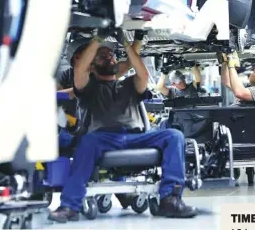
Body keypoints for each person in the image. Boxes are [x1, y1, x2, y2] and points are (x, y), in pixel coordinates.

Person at [48, 29, 197, 223]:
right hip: (103, 139)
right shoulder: (88, 88)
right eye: (102, 57)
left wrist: (126, 44)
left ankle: (170, 199)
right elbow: (80, 69)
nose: (109, 58)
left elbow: (142, 72)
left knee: (174, 136)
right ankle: (70, 206)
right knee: (86, 141)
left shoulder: (129, 84)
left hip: (136, 137)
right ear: (92, 66)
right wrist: (99, 38)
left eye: (110, 55)